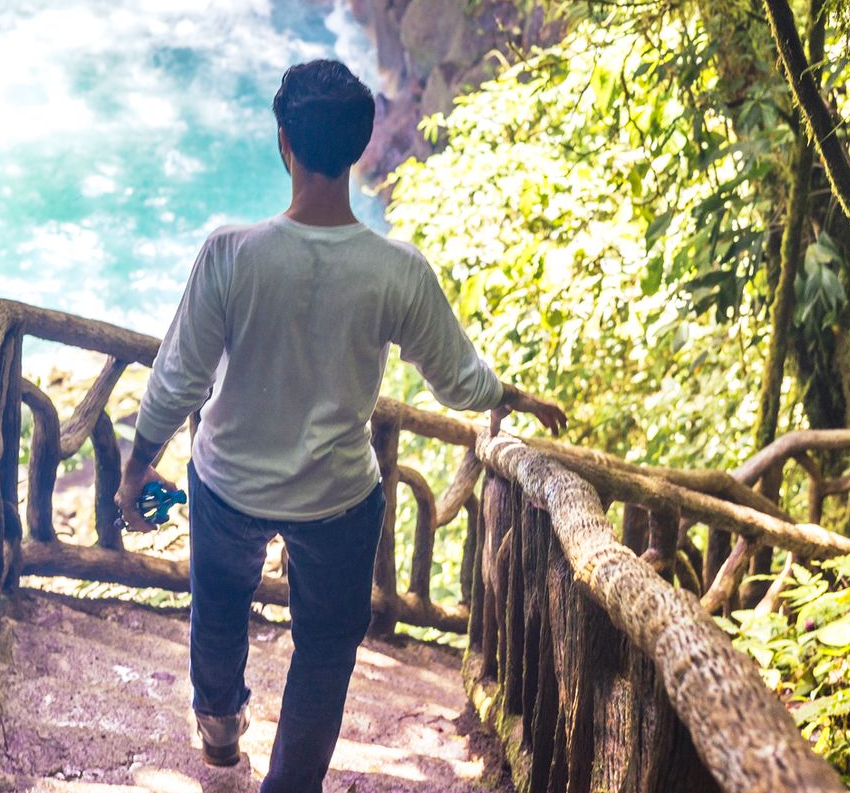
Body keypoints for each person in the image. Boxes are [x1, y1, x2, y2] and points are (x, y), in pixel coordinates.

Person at [116, 59, 567, 791]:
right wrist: (508, 394)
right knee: (324, 650)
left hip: (228, 482)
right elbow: (458, 379)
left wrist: (140, 466)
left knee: (220, 610)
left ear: (283, 141)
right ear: (358, 149)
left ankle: (220, 727)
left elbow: (178, 378)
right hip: (337, 499)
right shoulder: (397, 270)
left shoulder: (232, 254)